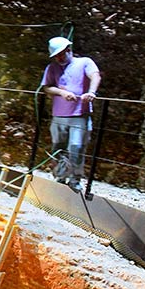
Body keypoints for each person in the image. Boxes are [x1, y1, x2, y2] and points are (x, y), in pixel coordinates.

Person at [42, 36, 100, 192]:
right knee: (58, 148)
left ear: (69, 50)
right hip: (59, 115)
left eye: (61, 54)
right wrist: (61, 92)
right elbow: (47, 87)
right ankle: (60, 178)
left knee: (76, 147)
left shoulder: (84, 62)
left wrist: (91, 92)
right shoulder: (52, 68)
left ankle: (74, 180)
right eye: (56, 55)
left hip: (79, 115)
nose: (59, 58)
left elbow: (95, 75)